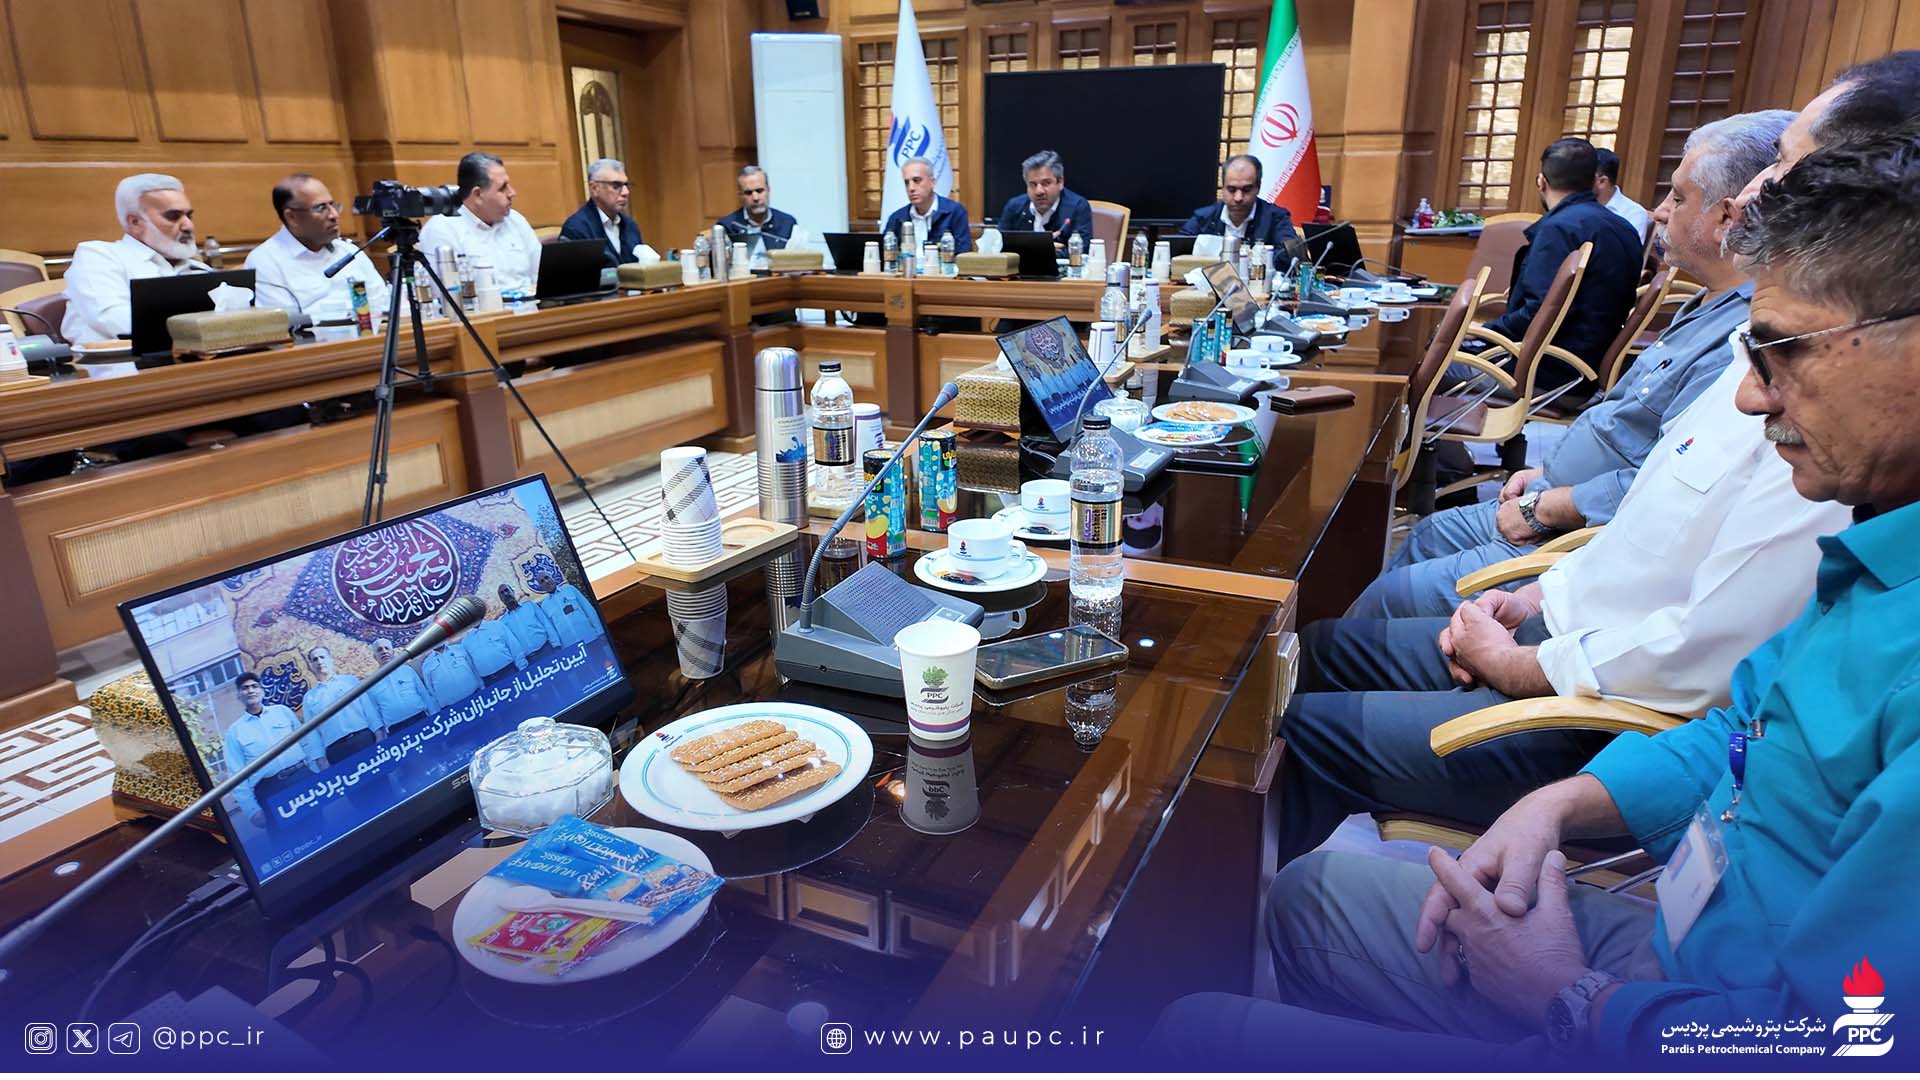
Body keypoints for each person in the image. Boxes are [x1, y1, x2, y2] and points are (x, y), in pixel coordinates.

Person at [1156, 127, 1920, 1067]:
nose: (1751, 398)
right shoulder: (1875, 545)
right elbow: (1740, 731)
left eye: (1780, 352)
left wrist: (1576, 1001)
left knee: (1189, 1029)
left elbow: (1848, 1046)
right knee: (1310, 900)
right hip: (1687, 916)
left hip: (1688, 1017)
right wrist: (1556, 807)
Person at [1351, 112, 1793, 619]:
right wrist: (1548, 474)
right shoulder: (1661, 262)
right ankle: (1435, 473)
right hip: (1565, 438)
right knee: (1425, 534)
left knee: (1421, 367)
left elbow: (1663, 487)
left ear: (1727, 216)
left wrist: (1547, 503)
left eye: (1676, 197)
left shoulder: (1741, 339)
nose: (1658, 210)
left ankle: (1407, 470)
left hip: (1568, 507)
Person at [1472, 138, 1643, 393]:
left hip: (1545, 371)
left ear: (1542, 182)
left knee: (1434, 366)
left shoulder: (1558, 230)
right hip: (1586, 368)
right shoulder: (1624, 228)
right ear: (1595, 181)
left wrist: (1481, 332)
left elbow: (1537, 314)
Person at [61, 173, 211, 343]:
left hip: (196, 355)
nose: (188, 226)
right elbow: (116, 322)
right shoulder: (98, 256)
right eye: (173, 216)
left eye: (189, 216)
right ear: (135, 222)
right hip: (122, 359)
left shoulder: (197, 268)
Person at [245, 173, 391, 322]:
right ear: (291, 217)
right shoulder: (265, 261)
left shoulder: (350, 251)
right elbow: (284, 324)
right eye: (321, 208)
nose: (334, 215)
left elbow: (383, 306)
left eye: (333, 205)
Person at [419, 152, 542, 294]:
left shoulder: (516, 220)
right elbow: (449, 293)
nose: (512, 193)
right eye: (503, 188)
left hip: (530, 304)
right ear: (477, 195)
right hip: (482, 307)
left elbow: (540, 275)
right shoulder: (442, 229)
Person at [222, 672, 323, 825]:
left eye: (254, 686)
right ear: (239, 695)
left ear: (262, 691)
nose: (250, 690)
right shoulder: (234, 732)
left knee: (320, 826)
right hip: (270, 790)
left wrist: (315, 772)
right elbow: (236, 774)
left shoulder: (282, 711)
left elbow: (305, 743)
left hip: (302, 777)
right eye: (245, 688)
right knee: (287, 837)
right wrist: (252, 810)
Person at [1175, 154, 1299, 251]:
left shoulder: (1276, 218)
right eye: (1231, 189)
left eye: (1246, 190)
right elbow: (1178, 249)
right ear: (1223, 188)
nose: (1238, 198)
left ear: (1258, 188)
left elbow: (1288, 257)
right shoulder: (1204, 217)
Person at [994, 150, 1092, 252]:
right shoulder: (1014, 206)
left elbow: (1082, 250)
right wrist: (1043, 248)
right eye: (1033, 184)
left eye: (1046, 183)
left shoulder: (1077, 207)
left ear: (1060, 182)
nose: (1039, 191)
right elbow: (997, 246)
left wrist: (1025, 249)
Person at [301, 645, 381, 765]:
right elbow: (312, 733)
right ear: (311, 665)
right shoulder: (309, 697)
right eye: (315, 659)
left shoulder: (350, 681)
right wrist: (320, 759)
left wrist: (379, 733)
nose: (319, 661)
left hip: (364, 739)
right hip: (337, 751)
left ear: (330, 659)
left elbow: (368, 708)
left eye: (322, 657)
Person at [557, 158, 643, 268]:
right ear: (594, 189)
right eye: (616, 186)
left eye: (626, 185)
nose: (626, 192)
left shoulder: (630, 225)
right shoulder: (576, 228)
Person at [882, 156, 973, 255]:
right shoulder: (896, 218)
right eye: (907, 183)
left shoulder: (955, 212)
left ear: (932, 182)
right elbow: (886, 255)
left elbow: (964, 256)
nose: (911, 188)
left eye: (917, 180)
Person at [718, 165, 799, 256]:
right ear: (740, 195)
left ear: (768, 190)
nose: (755, 198)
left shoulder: (788, 223)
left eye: (759, 191)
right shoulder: (728, 226)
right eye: (748, 193)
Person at [362, 637, 434, 732]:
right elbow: (376, 711)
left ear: (393, 652)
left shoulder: (407, 670)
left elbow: (424, 694)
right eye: (379, 650)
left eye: (387, 648)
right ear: (375, 657)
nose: (384, 651)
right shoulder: (372, 682)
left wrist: (435, 715)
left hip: (421, 718)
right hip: (396, 728)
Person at [1592, 148, 1651, 242]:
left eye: (1584, 177)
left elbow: (1629, 250)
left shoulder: (1634, 213)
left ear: (1602, 181)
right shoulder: (1576, 206)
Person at [539, 571, 602, 647]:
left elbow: (589, 610)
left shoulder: (570, 589)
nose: (546, 581)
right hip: (570, 645)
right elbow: (551, 628)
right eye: (542, 581)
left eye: (547, 577)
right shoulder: (545, 605)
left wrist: (600, 631)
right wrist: (558, 645)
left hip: (590, 637)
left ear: (552, 577)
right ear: (541, 587)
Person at [420, 639, 484, 712]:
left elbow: (473, 669)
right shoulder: (427, 664)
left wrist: (482, 687)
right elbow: (431, 690)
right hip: (452, 710)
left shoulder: (459, 648)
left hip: (476, 697)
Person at [462, 611, 530, 678]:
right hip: (489, 679)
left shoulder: (497, 625)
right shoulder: (465, 642)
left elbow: (514, 646)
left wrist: (522, 666)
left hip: (509, 671)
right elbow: (472, 667)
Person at [498, 582, 557, 657]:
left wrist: (556, 644)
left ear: (512, 592)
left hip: (548, 649)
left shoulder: (529, 605)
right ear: (501, 599)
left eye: (507, 590)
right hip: (529, 660)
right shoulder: (503, 622)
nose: (505, 594)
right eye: (502, 593)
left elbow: (546, 624)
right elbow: (511, 645)